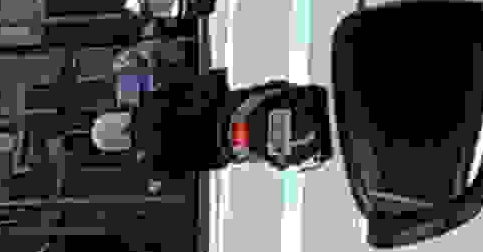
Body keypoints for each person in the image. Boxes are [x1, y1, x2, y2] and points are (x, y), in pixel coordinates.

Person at [90, 69, 333, 182]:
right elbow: (187, 87)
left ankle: (308, 144)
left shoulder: (149, 161)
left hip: (224, 148)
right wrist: (216, 81)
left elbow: (182, 171)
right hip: (225, 109)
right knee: (269, 92)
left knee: (260, 149)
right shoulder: (149, 102)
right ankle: (309, 101)